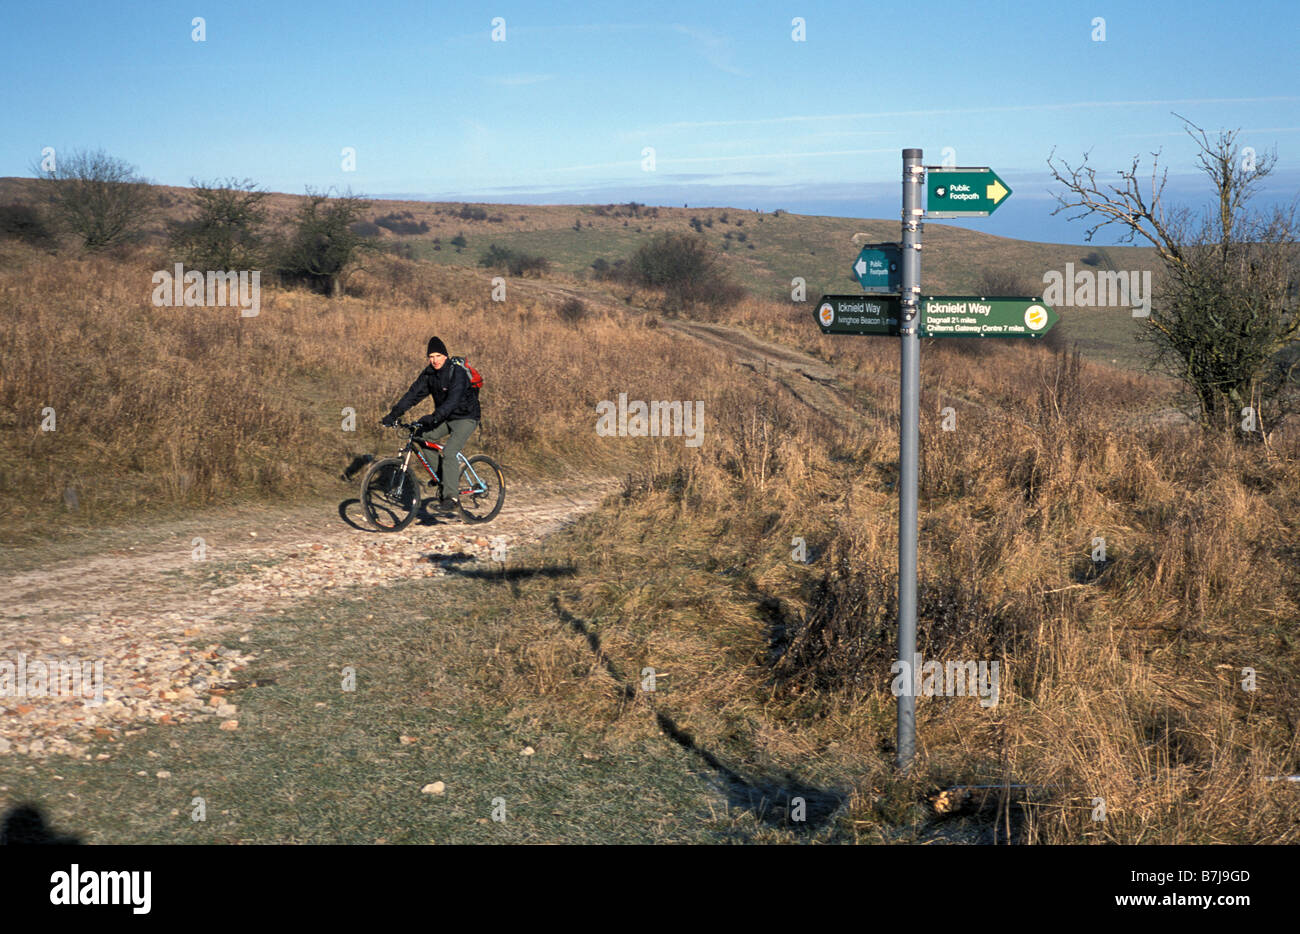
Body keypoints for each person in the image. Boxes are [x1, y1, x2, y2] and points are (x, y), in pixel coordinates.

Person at [380, 336, 480, 514]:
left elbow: (453, 400)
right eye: (431, 356)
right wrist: (393, 414)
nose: (434, 360)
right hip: (446, 416)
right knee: (422, 436)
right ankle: (444, 478)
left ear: (445, 356)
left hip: (466, 417)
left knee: (449, 452)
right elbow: (413, 394)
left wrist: (434, 417)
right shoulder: (429, 374)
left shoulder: (456, 372)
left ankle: (452, 498)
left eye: (438, 356)